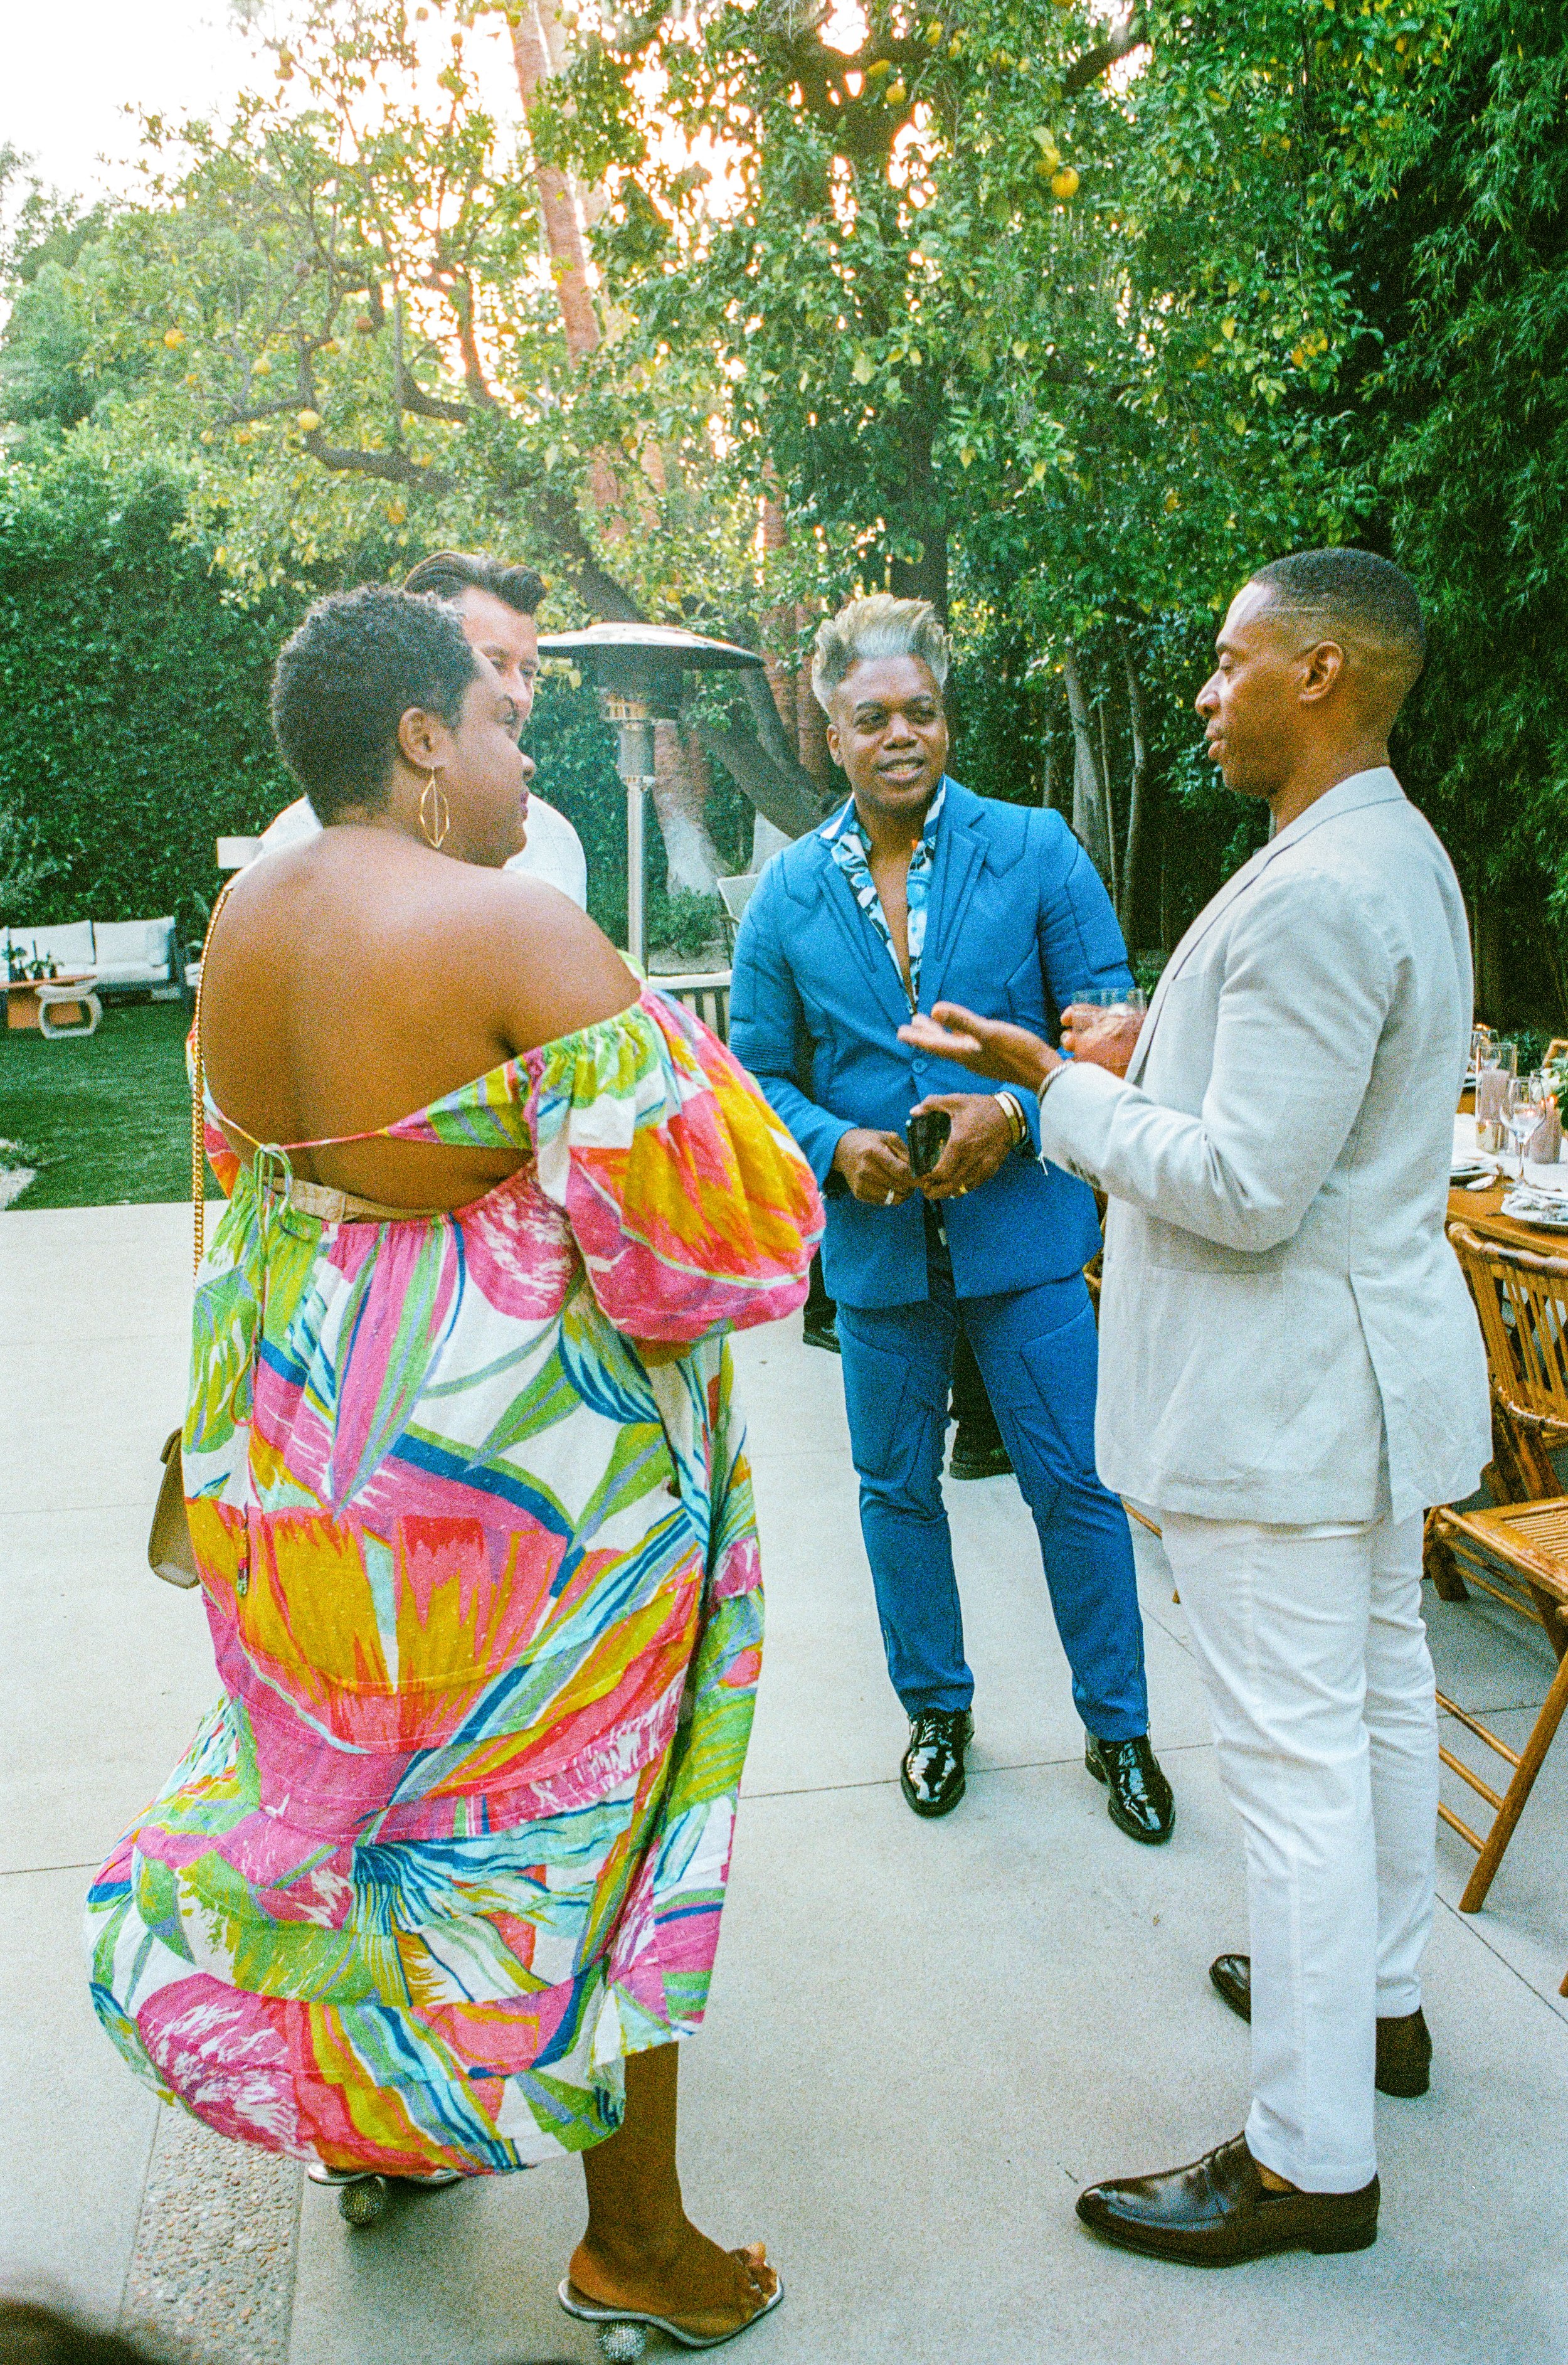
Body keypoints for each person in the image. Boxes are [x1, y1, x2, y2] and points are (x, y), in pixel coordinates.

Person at [85, 586, 822, 2346]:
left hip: (306, 1471)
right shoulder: (512, 934)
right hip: (516, 1515)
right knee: (599, 1830)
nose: (523, 758)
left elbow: (247, 1190)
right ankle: (633, 2240)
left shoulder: (245, 920)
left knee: (364, 1814)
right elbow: (718, 1250)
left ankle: (383, 2130)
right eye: (503, 723)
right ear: (419, 738)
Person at [902, 547, 1490, 2265]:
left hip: (1282, 1397)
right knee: (1376, 1696)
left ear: (1319, 671)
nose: (1206, 693)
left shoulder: (1319, 888)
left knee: (1294, 1765)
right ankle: (1373, 1999)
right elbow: (1309, 1103)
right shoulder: (1384, 849)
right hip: (1355, 1379)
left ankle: (1308, 2157)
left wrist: (1057, 1090)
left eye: (1231, 662)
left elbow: (1243, 1186)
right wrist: (1145, 1047)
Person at [729, 593, 1173, 1839]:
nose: (899, 736)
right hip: (877, 1260)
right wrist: (834, 1144)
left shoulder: (1033, 849)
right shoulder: (786, 895)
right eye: (871, 718)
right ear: (832, 735)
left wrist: (1017, 1115)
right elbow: (755, 1072)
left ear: (947, 720)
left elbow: (1110, 1032)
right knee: (895, 1492)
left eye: (919, 712)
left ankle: (1121, 1731)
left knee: (1073, 1486)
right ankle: (935, 1714)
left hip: (1025, 1245)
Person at [258, 551, 590, 908]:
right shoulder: (292, 851)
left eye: (527, 673)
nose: (520, 697)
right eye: (494, 665)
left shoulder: (555, 843)